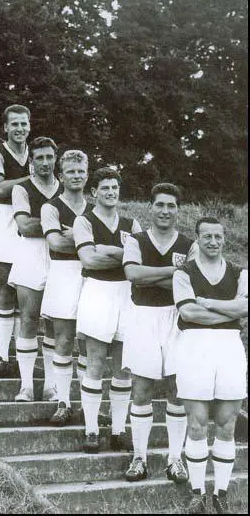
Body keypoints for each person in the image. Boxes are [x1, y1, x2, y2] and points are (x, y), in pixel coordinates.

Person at [122, 183, 197, 484]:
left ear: (178, 209)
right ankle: (139, 457)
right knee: (141, 389)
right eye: (160, 205)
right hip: (143, 317)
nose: (165, 211)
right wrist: (174, 273)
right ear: (150, 207)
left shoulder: (190, 244)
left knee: (176, 390)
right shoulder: (136, 240)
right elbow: (133, 275)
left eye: (171, 205)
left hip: (176, 319)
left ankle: (175, 459)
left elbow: (191, 286)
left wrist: (157, 277)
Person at [173, 217, 248, 514]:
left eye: (218, 236)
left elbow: (245, 307)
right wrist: (228, 313)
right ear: (198, 239)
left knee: (228, 424)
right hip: (194, 346)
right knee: (197, 422)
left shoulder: (240, 273)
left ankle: (220, 493)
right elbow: (189, 312)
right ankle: (197, 493)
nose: (213, 242)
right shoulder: (184, 272)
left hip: (230, 348)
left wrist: (207, 302)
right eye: (207, 236)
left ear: (224, 238)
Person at [74, 167, 142, 453]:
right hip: (98, 291)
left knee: (123, 366)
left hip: (126, 295)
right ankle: (91, 430)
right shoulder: (83, 220)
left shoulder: (132, 223)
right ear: (94, 192)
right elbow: (88, 260)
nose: (111, 192)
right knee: (96, 362)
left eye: (114, 187)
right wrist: (123, 256)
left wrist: (109, 250)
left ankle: (117, 429)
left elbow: (139, 262)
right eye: (105, 188)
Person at [7, 136, 62, 401]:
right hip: (31, 254)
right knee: (28, 318)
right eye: (39, 157)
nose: (45, 162)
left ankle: (51, 386)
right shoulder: (22, 188)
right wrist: (57, 226)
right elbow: (25, 227)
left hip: (60, 257)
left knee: (53, 323)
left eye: (49, 157)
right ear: (31, 162)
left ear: (56, 159)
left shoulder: (66, 189)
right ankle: (26, 385)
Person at [40, 150, 89, 425]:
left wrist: (75, 236)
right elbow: (56, 243)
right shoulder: (51, 207)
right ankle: (63, 401)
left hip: (90, 276)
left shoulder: (95, 208)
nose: (76, 176)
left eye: (81, 171)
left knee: (87, 341)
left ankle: (85, 403)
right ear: (61, 176)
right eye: (71, 172)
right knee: (64, 340)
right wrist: (87, 241)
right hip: (62, 273)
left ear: (87, 175)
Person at [0, 105, 31, 376]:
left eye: (24, 124)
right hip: (4, 218)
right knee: (4, 288)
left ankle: (21, 352)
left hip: (30, 222)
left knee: (26, 292)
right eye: (15, 124)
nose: (20, 129)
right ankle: (3, 356)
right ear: (6, 127)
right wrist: (31, 179)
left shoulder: (35, 153)